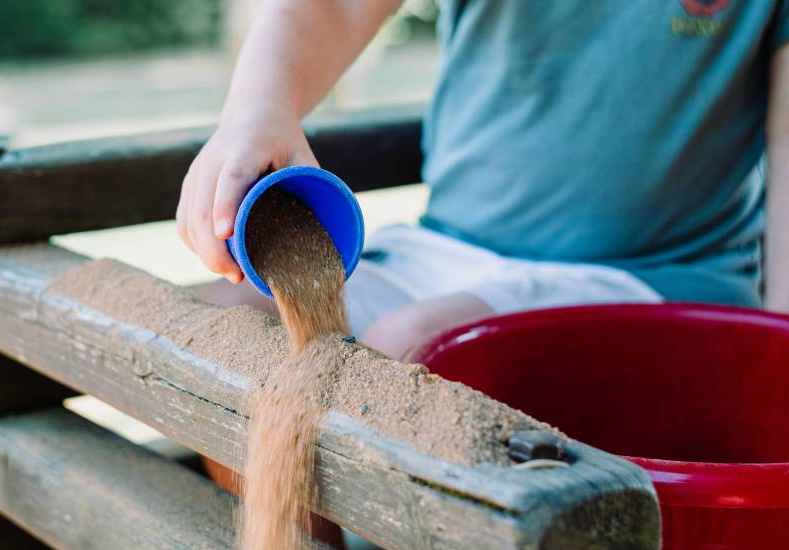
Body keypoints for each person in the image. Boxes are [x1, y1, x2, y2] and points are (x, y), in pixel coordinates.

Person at [177, 0, 789, 362]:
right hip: (446, 250)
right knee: (229, 323)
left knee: (419, 344)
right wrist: (260, 108)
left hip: (654, 275)